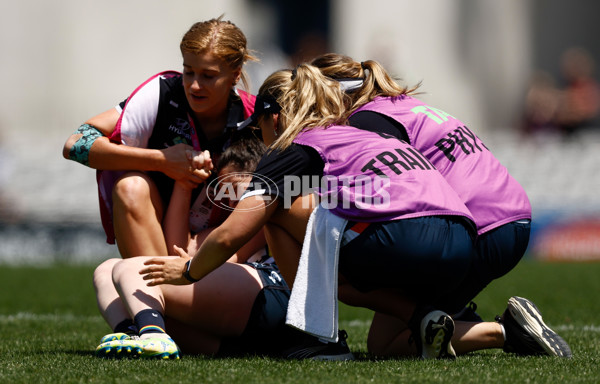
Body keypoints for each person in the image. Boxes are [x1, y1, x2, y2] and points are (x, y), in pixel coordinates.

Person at [137, 65, 482, 360]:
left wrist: (189, 272)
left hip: (405, 240)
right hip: (464, 245)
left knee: (274, 209)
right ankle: (454, 319)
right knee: (380, 343)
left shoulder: (295, 144)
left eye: (259, 128)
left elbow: (232, 233)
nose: (261, 138)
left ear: (276, 118)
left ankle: (315, 338)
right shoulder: (360, 130)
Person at [308, 53, 572, 358]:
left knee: (384, 345)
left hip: (476, 227)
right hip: (513, 217)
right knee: (403, 325)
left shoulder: (365, 121)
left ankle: (507, 332)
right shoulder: (403, 106)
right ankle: (460, 316)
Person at [93, 137, 353, 360]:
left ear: (254, 178)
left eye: (231, 186)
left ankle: (151, 334)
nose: (226, 199)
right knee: (106, 270)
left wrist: (191, 261)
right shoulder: (237, 219)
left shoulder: (264, 206)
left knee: (131, 269)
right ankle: (136, 331)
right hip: (245, 304)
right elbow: (176, 253)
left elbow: (215, 256)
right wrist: (184, 186)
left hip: (272, 290)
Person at [62, 17, 257, 259]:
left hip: (218, 240)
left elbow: (295, 183)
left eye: (208, 75)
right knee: (130, 187)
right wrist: (161, 160)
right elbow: (75, 145)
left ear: (235, 75)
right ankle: (156, 288)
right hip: (155, 226)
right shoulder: (162, 93)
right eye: (189, 72)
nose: (195, 86)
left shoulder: (257, 116)